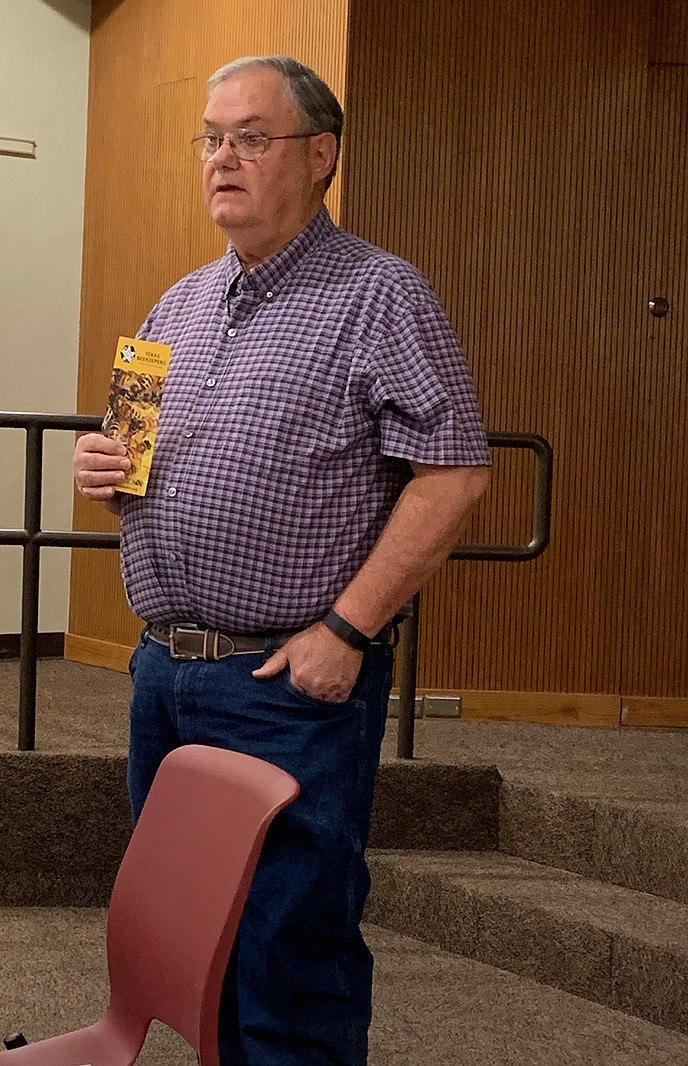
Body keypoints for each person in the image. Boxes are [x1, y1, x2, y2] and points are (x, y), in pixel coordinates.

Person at [74, 54, 490, 1066]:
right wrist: (105, 463)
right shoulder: (175, 303)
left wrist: (347, 629)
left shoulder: (378, 295)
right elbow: (135, 464)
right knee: (190, 948)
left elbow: (455, 473)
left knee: (284, 956)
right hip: (164, 673)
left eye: (248, 138)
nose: (222, 158)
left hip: (284, 684)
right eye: (211, 139)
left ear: (319, 155)